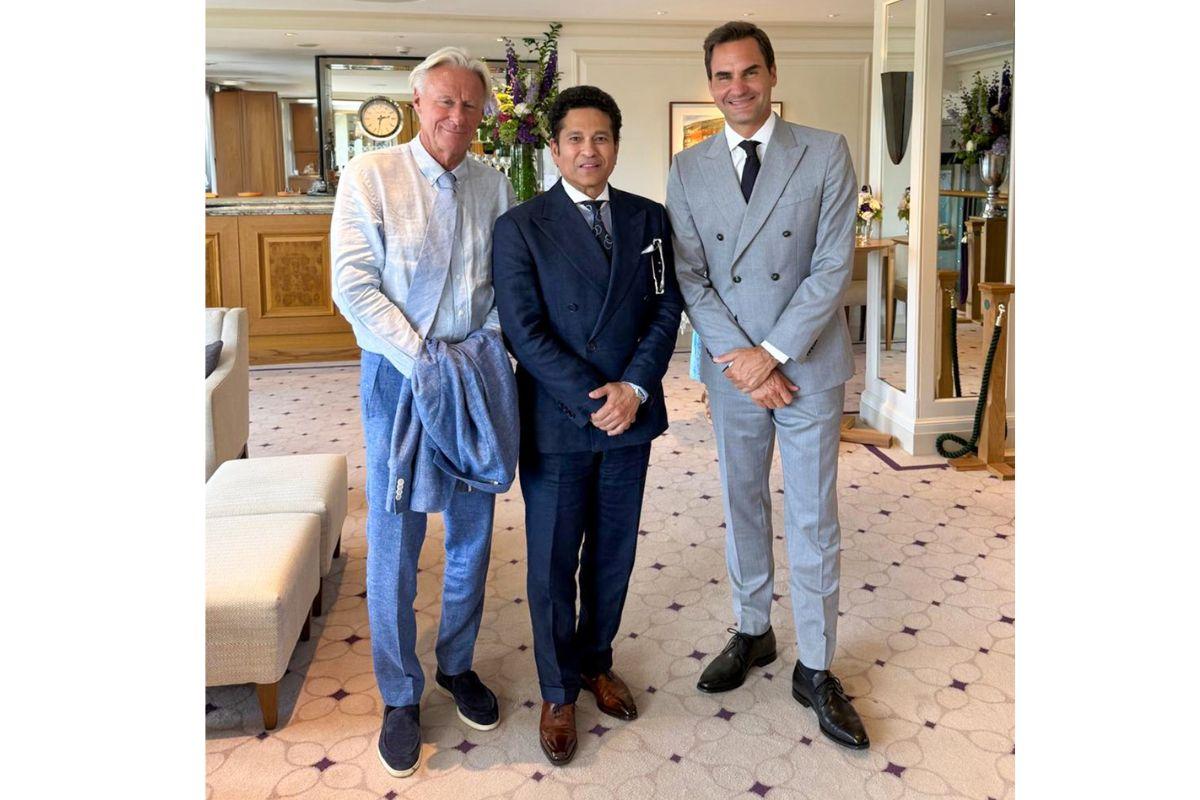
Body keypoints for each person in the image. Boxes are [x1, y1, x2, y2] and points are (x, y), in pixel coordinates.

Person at [665, 21, 869, 750]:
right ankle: (754, 630)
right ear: (711, 84)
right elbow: (692, 276)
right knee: (741, 502)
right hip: (733, 375)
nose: (736, 88)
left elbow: (829, 267)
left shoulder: (824, 151)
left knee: (813, 516)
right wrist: (741, 359)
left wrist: (774, 353)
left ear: (772, 74)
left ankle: (815, 667)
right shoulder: (688, 171)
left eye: (748, 73)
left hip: (805, 366)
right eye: (722, 76)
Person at [330, 46, 517, 779]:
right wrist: (423, 361)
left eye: (470, 104)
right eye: (444, 101)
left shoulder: (494, 185)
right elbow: (354, 285)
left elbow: (507, 286)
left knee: (472, 532)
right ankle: (400, 692)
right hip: (399, 379)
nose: (456, 116)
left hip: (473, 377)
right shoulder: (371, 177)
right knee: (395, 539)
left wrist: (482, 352)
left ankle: (457, 664)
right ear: (417, 103)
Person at [492, 85, 684, 766]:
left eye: (600, 138)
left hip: (629, 418)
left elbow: (666, 309)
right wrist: (594, 396)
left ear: (616, 145)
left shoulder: (649, 218)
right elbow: (523, 329)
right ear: (553, 147)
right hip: (559, 417)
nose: (588, 150)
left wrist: (633, 388)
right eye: (574, 138)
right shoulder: (521, 225)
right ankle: (555, 687)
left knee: (613, 552)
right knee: (550, 563)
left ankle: (596, 661)